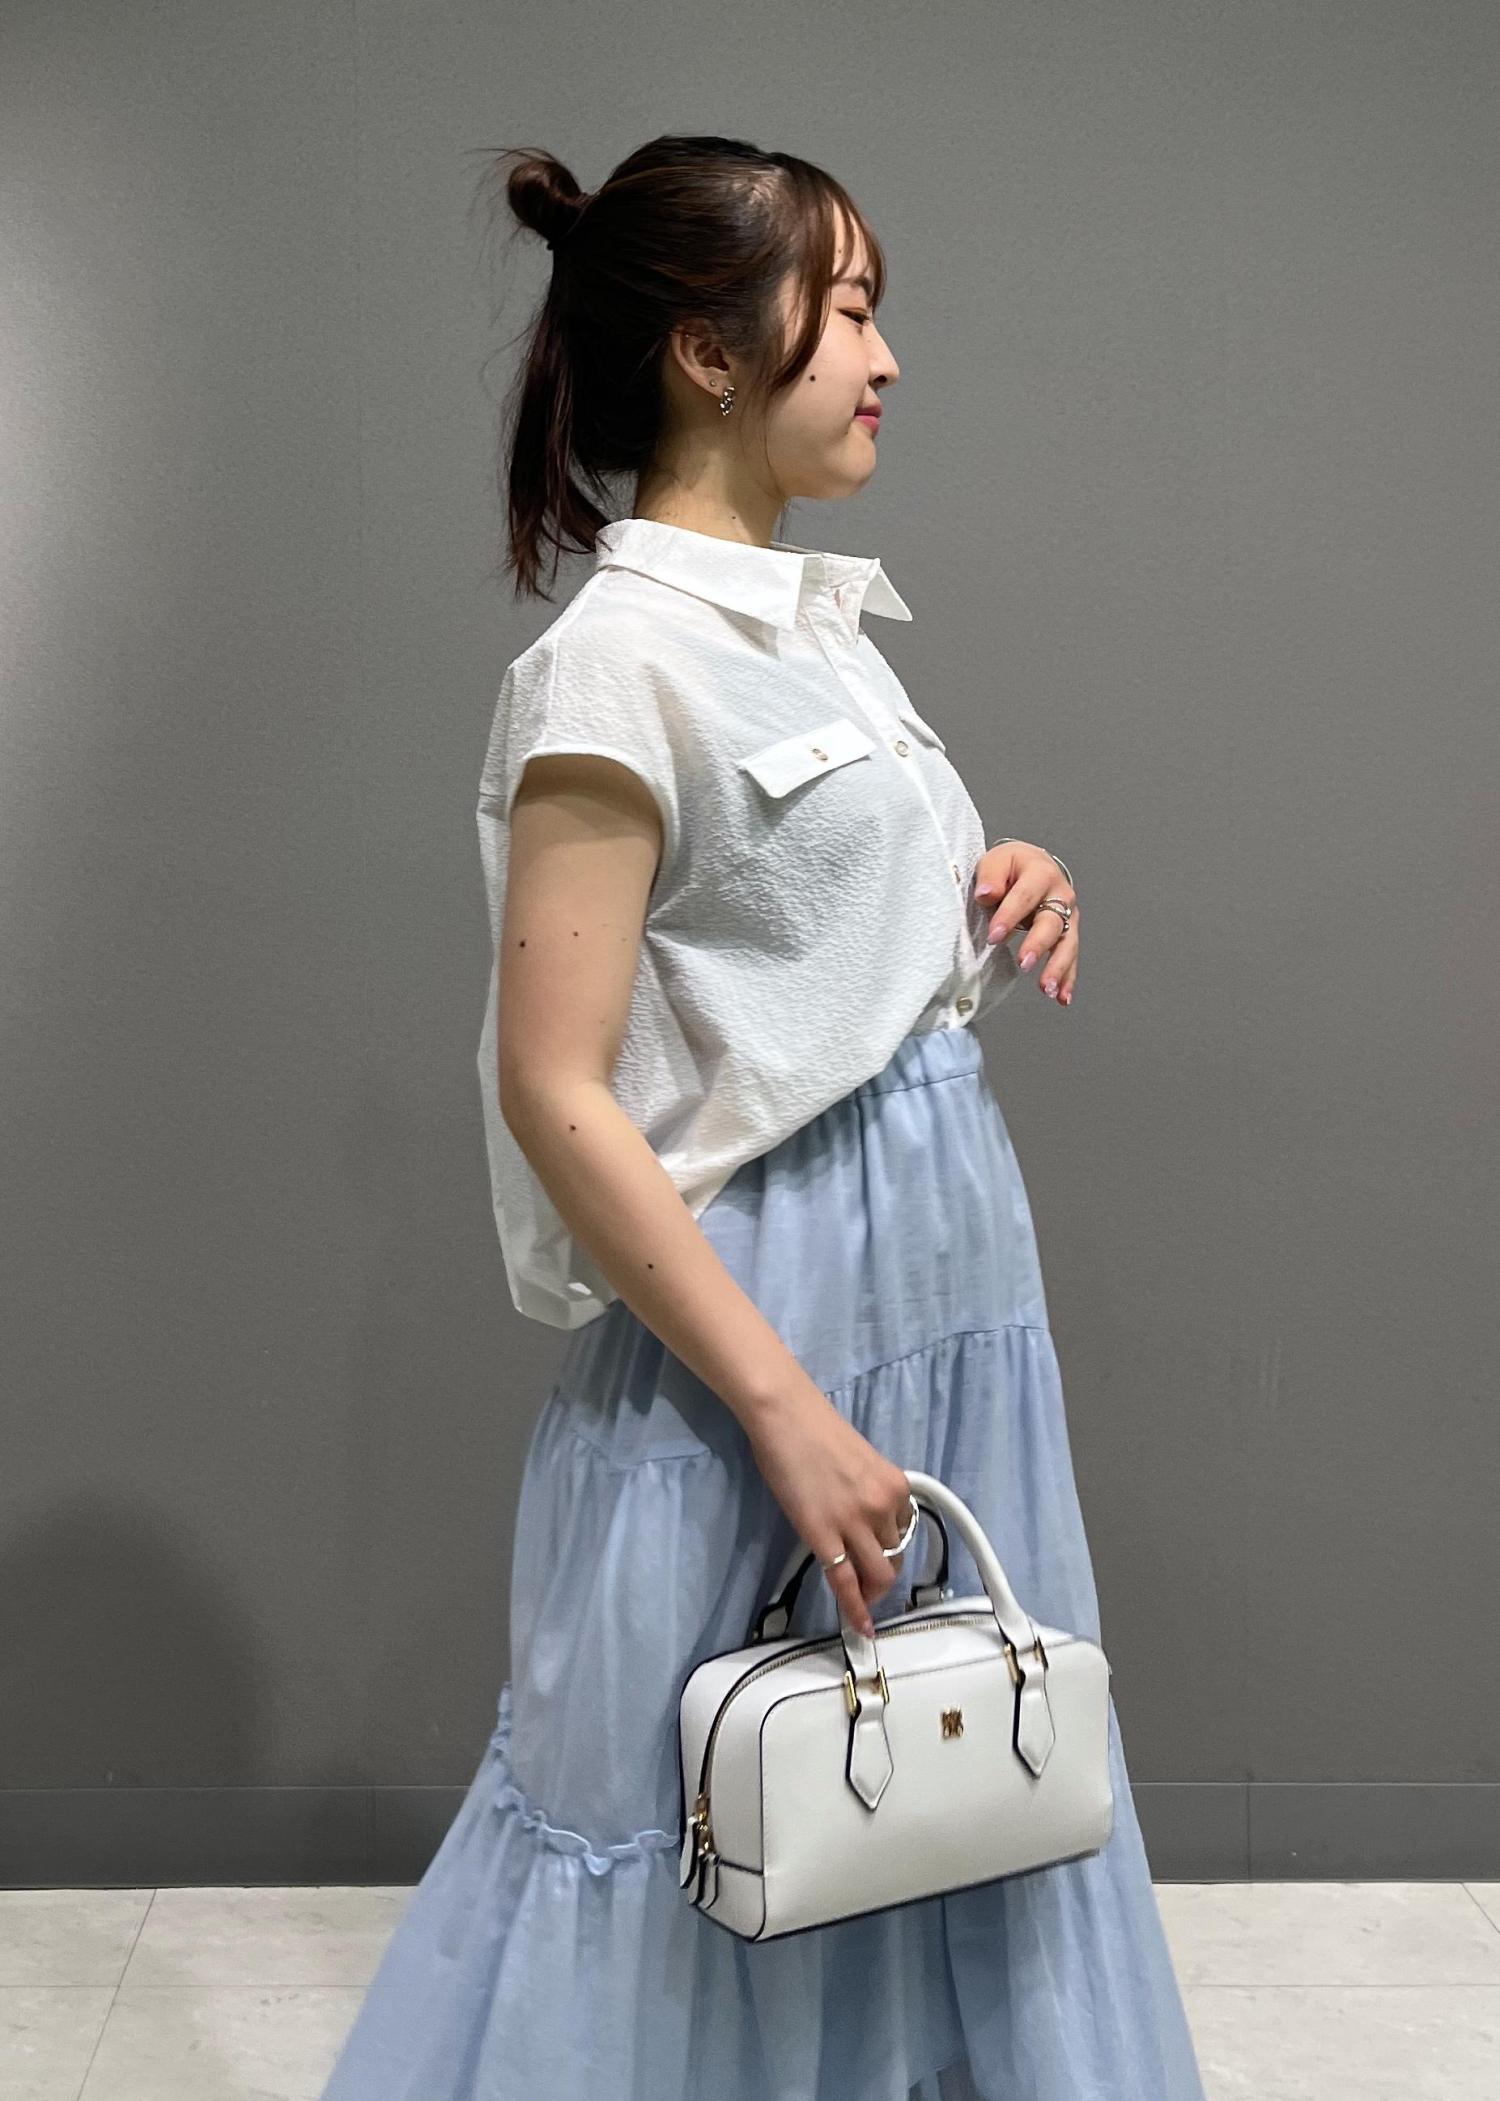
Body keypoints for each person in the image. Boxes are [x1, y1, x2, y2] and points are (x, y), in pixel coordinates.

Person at [319, 132, 1208, 2101]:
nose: (888, 359)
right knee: (696, 1825)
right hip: (765, 1347)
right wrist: (788, 1410)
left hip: (947, 1309)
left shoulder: (817, 636)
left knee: (937, 1797)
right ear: (712, 354)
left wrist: (1000, 886)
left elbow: (801, 965)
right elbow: (556, 1083)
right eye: (853, 308)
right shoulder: (612, 667)